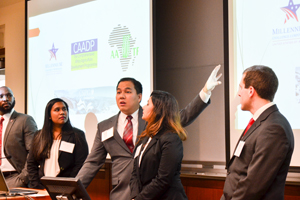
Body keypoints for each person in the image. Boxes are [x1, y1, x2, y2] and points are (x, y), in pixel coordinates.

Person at [76, 65, 222, 200]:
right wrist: (72, 190)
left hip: (151, 191)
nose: (121, 96)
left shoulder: (153, 119)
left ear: (139, 97)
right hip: (121, 192)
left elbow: (182, 116)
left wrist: (205, 92)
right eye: (118, 92)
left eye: (127, 92)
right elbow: (93, 162)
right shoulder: (104, 126)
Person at [221, 65, 294, 200]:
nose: (238, 93)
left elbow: (253, 186)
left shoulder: (274, 128)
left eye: (241, 87)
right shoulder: (261, 122)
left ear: (251, 91)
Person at [130, 90, 188, 200]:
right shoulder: (145, 136)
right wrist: (134, 196)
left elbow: (163, 179)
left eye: (147, 104)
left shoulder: (171, 139)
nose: (143, 107)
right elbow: (135, 173)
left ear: (158, 109)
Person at [27, 98, 89, 189]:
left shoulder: (77, 135)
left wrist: (68, 185)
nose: (62, 112)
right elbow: (31, 164)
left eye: (64, 109)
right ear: (49, 115)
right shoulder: (39, 135)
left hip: (66, 187)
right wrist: (37, 186)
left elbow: (80, 164)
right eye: (57, 110)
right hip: (42, 187)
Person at [0, 86, 37, 188]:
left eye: (9, 95)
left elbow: (33, 152)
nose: (5, 99)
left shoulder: (25, 120)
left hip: (15, 178)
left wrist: (24, 178)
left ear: (14, 99)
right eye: (1, 96)